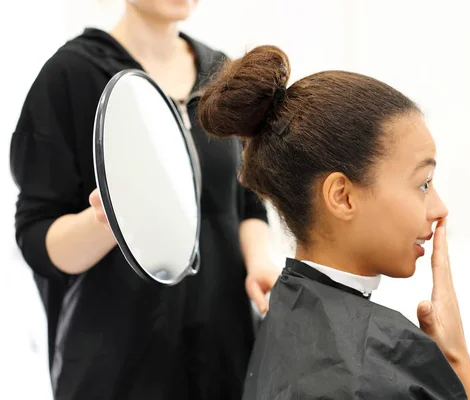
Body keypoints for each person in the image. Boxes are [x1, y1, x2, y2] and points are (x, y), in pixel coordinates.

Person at [197, 45, 470, 399]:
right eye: (423, 184)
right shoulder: (370, 369)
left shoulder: (286, 309)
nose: (440, 208)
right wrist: (457, 358)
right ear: (342, 196)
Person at [9, 1, 280, 399]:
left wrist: (260, 264)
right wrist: (108, 220)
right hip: (119, 367)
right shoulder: (70, 75)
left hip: (226, 354)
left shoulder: (219, 73)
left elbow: (247, 201)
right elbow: (37, 239)